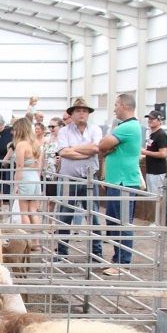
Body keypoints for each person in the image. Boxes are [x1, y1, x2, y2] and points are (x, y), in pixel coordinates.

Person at [53, 96, 103, 263]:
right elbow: (63, 152)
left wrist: (73, 149)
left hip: (90, 178)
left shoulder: (95, 129)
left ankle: (97, 254)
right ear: (72, 114)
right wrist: (84, 151)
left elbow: (96, 148)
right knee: (65, 215)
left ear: (88, 114)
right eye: (78, 111)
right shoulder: (64, 131)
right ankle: (61, 252)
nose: (82, 113)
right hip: (70, 178)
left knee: (94, 216)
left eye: (84, 111)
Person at [97, 93, 142, 275]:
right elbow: (105, 146)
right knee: (116, 222)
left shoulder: (128, 127)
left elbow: (103, 144)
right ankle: (118, 259)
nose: (114, 108)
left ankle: (122, 262)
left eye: (116, 105)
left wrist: (107, 147)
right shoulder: (126, 127)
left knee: (122, 223)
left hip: (124, 183)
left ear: (124, 105)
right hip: (118, 181)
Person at [11, 116, 42, 227]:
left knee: (23, 212)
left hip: (25, 178)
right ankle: (36, 241)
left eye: (14, 129)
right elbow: (39, 166)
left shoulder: (21, 145)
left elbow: (19, 166)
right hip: (35, 179)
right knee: (33, 212)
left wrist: (16, 184)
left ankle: (28, 240)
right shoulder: (36, 144)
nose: (12, 132)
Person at [142, 110, 167, 215]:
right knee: (153, 197)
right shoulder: (152, 134)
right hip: (151, 170)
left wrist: (145, 152)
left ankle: (160, 221)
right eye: (149, 118)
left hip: (158, 172)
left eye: (152, 119)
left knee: (158, 197)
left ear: (159, 120)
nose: (150, 121)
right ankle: (156, 220)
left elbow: (163, 154)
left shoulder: (161, 135)